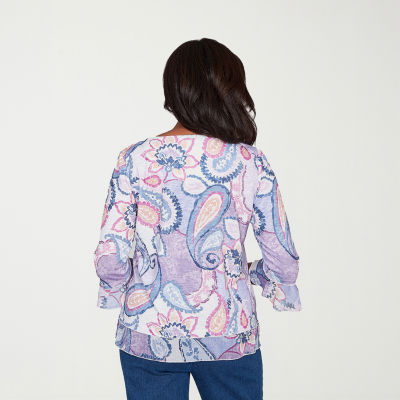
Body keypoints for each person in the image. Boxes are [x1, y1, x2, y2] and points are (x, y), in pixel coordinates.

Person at [93, 37, 302, 400]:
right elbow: (283, 260)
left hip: (148, 333)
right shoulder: (250, 161)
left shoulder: (134, 158)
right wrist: (251, 273)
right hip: (229, 334)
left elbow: (110, 258)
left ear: (173, 89)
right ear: (230, 88)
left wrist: (130, 280)